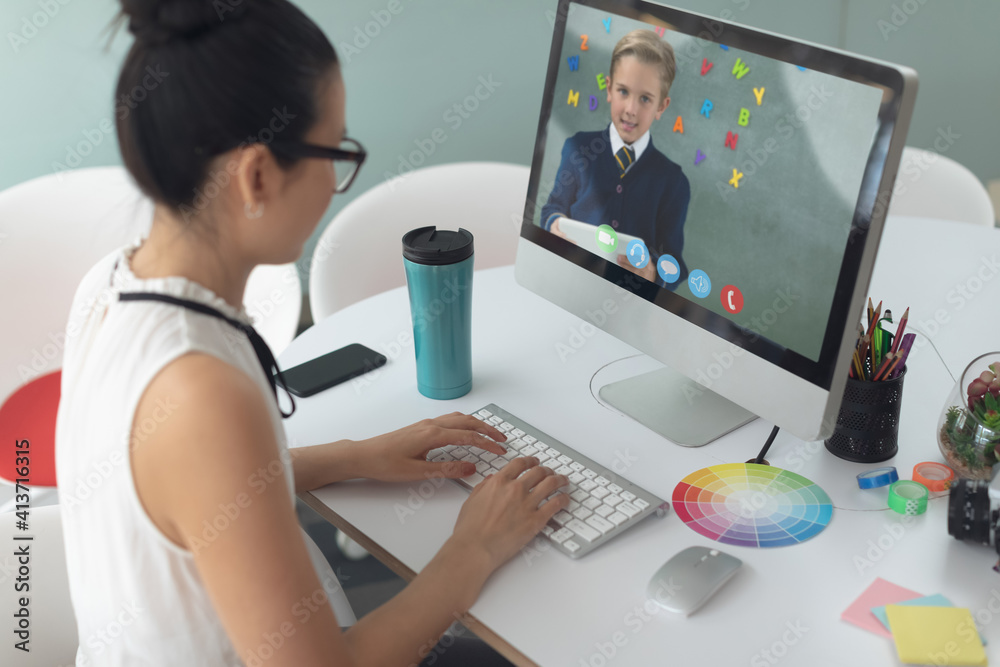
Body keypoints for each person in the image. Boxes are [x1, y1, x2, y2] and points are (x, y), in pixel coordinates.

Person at [54, 1, 569, 665]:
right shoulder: (202, 392)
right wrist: (475, 547)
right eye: (335, 152)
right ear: (258, 174)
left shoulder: (107, 285)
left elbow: (190, 488)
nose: (335, 182)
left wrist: (356, 454)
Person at [540, 29, 691, 289]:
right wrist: (554, 226)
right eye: (623, 91)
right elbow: (553, 208)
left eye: (645, 99)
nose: (631, 109)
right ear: (609, 89)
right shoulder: (577, 148)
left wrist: (653, 272)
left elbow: (674, 262)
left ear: (661, 107)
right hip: (570, 285)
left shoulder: (674, 181)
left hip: (631, 304)